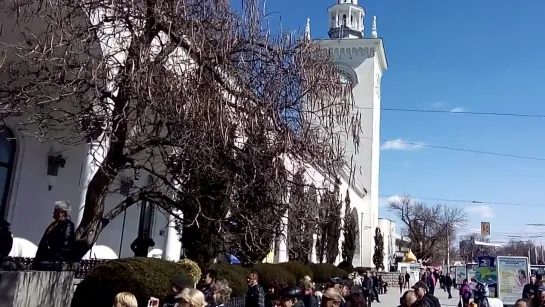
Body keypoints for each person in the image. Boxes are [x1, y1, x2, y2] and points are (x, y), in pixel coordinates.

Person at [33, 201, 75, 268]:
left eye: (56, 210)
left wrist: (51, 254)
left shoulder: (68, 225)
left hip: (52, 261)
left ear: (62, 212)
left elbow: (64, 244)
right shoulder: (54, 224)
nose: (53, 212)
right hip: (42, 259)